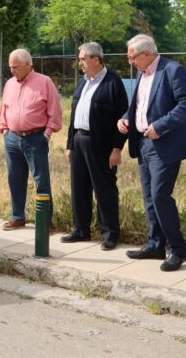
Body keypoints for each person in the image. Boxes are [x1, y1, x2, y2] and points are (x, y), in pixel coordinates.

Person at [117, 34, 186, 272]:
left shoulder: (173, 70)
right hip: (142, 143)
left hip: (165, 144)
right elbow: (139, 107)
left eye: (132, 57)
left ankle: (177, 250)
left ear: (146, 54)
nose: (130, 61)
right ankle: (155, 244)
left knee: (160, 196)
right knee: (149, 197)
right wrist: (125, 119)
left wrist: (160, 126)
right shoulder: (141, 74)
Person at [63, 42, 128, 249]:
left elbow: (123, 118)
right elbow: (74, 116)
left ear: (96, 59)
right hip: (79, 141)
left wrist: (117, 148)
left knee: (104, 189)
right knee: (79, 187)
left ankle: (109, 233)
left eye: (82, 59)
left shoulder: (112, 83)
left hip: (101, 145)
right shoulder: (82, 83)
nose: (79, 63)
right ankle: (81, 230)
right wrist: (69, 145)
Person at [0, 49, 62, 230]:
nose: (12, 71)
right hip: (12, 138)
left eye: (16, 67)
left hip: (36, 138)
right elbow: (4, 108)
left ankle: (45, 221)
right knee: (14, 178)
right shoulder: (10, 84)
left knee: (41, 180)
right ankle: (17, 216)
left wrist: (47, 134)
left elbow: (55, 111)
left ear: (28, 64)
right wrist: (4, 129)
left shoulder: (44, 82)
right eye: (10, 67)